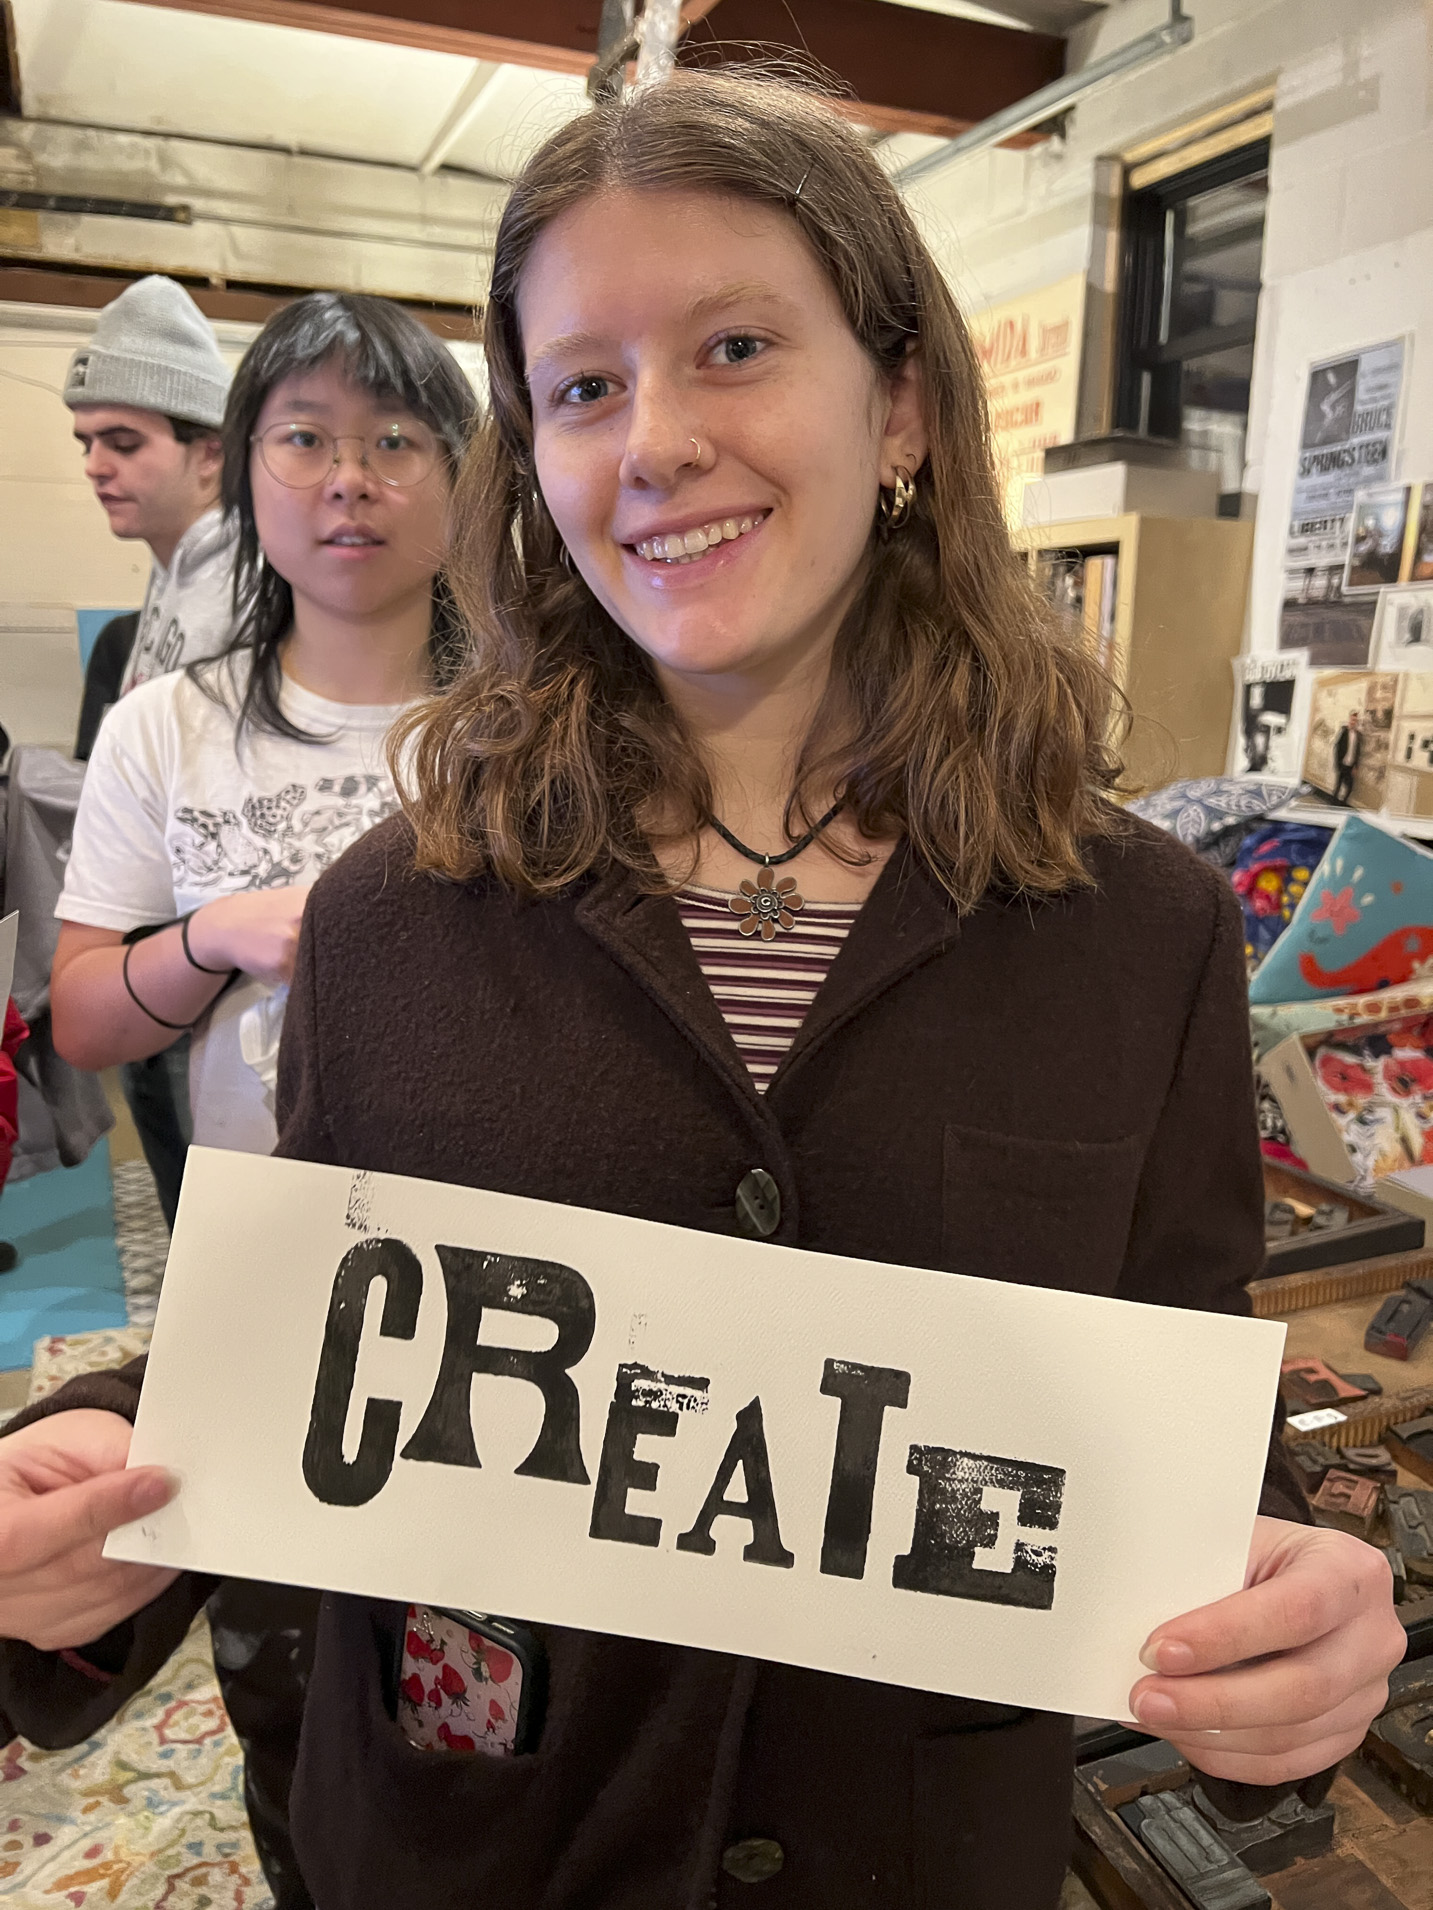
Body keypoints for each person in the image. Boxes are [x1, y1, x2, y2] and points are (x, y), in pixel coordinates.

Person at [0, 72, 1404, 1910]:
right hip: (481, 1840)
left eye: (732, 346)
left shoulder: (1128, 931)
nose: (651, 439)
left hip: (901, 1839)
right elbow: (317, 1349)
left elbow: (1183, 1386)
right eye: (582, 386)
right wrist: (86, 1467)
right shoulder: (396, 913)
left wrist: (1287, 1584)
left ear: (895, 400)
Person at [42, 290, 474, 1908]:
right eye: (303, 439)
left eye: (393, 441)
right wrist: (208, 941)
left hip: (485, 1281)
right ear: (250, 475)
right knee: (285, 1670)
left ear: (458, 479)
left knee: (477, 1670)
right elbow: (83, 1014)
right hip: (259, 1281)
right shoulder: (169, 729)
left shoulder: (529, 723)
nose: (346, 478)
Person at [66, 275, 238, 1222]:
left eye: (124, 442)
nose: (96, 464)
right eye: (87, 442)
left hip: (213, 971)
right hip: (158, 965)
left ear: (210, 453)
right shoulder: (172, 583)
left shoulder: (248, 588)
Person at [1334, 708, 1362, 804]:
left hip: (1351, 765)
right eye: (1352, 719)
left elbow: (1358, 752)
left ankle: (1342, 804)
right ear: (1350, 719)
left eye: (1356, 720)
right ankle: (1333, 804)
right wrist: (1337, 762)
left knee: (1350, 787)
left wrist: (1356, 766)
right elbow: (1337, 746)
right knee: (1338, 785)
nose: (1354, 722)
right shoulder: (1344, 730)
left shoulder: (1358, 735)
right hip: (1343, 763)